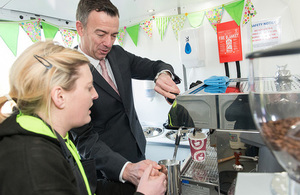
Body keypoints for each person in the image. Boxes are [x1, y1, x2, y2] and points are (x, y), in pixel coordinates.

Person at [0, 41, 167, 195]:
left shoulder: (56, 138)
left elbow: (85, 187)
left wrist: (136, 181)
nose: (95, 95)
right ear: (59, 97)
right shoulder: (34, 163)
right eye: (89, 88)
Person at [72, 0, 181, 193]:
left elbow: (155, 66)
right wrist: (126, 169)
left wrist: (163, 75)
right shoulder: (69, 70)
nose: (108, 43)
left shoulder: (117, 54)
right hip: (107, 171)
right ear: (80, 28)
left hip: (138, 150)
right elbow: (84, 139)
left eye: (114, 35)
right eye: (101, 34)